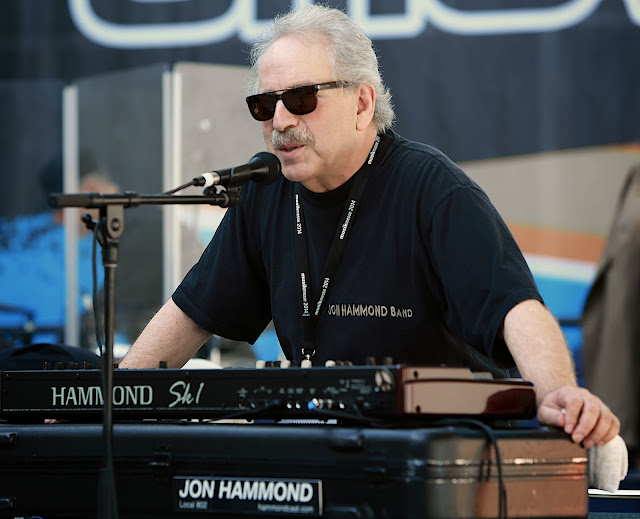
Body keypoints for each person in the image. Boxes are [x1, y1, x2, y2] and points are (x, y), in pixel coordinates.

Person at [120, 5, 619, 450]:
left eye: (300, 98)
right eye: (264, 105)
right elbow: (192, 313)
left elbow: (515, 308)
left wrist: (558, 395)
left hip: (439, 454)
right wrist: (114, 401)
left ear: (362, 104)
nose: (280, 121)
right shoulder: (264, 190)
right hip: (318, 445)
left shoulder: (432, 189)